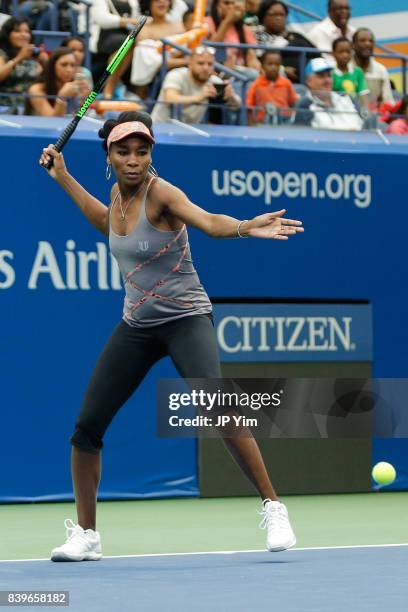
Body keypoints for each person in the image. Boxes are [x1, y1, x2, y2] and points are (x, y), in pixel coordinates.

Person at [39, 110, 303, 562]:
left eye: (142, 151)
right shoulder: (117, 199)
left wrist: (244, 226)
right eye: (124, 151)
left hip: (185, 319)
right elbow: (106, 223)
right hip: (138, 326)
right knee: (87, 428)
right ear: (109, 154)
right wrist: (63, 178)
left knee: (216, 405)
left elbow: (209, 221)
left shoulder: (161, 194)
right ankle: (87, 534)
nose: (134, 160)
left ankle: (274, 507)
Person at [151, 46, 240, 124]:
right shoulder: (176, 75)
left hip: (190, 130)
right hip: (161, 128)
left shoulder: (214, 81)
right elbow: (170, 99)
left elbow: (237, 106)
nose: (205, 68)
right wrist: (199, 97)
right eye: (200, 63)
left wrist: (231, 97)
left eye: (210, 64)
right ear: (190, 64)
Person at [255, 0, 318, 83]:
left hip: (304, 82)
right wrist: (282, 69)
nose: (278, 18)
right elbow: (257, 61)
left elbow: (317, 56)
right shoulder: (256, 38)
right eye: (273, 15)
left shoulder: (296, 37)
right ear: (263, 17)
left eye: (282, 15)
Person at [294, 57, 363, 130]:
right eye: (321, 76)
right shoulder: (305, 106)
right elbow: (302, 136)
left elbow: (365, 124)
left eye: (329, 76)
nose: (327, 80)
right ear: (309, 81)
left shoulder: (347, 98)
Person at [26, 47, 90, 116]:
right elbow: (53, 122)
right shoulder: (36, 89)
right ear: (53, 66)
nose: (69, 70)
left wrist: (86, 101)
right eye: (64, 65)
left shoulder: (75, 87)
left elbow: (80, 116)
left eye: (72, 65)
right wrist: (62, 97)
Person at [0, 17, 45, 112]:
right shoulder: (2, 54)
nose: (24, 35)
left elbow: (45, 82)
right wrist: (19, 58)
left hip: (31, 108)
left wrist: (45, 62)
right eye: (18, 31)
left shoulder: (34, 56)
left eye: (27, 32)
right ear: (8, 34)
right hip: (5, 107)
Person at [205, 0, 260, 73]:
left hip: (239, 70)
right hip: (215, 69)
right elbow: (213, 46)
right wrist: (228, 21)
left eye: (233, 3)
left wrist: (253, 60)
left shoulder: (242, 28)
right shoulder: (207, 22)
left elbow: (252, 51)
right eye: (226, 3)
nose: (231, 7)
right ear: (217, 6)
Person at [246, 50, 297, 124]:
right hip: (262, 124)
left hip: (284, 123)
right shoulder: (256, 84)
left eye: (277, 64)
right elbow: (249, 108)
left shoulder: (287, 83)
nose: (273, 67)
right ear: (262, 65)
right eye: (270, 64)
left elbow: (293, 103)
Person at [351, 28, 394, 110]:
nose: (367, 44)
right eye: (362, 40)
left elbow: (388, 102)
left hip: (374, 118)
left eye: (371, 41)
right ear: (353, 44)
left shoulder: (381, 70)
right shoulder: (345, 68)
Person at [332, 37, 369, 109]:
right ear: (333, 54)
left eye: (348, 52)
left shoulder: (358, 72)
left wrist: (365, 111)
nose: (345, 55)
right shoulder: (330, 73)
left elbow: (363, 94)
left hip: (355, 110)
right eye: (341, 52)